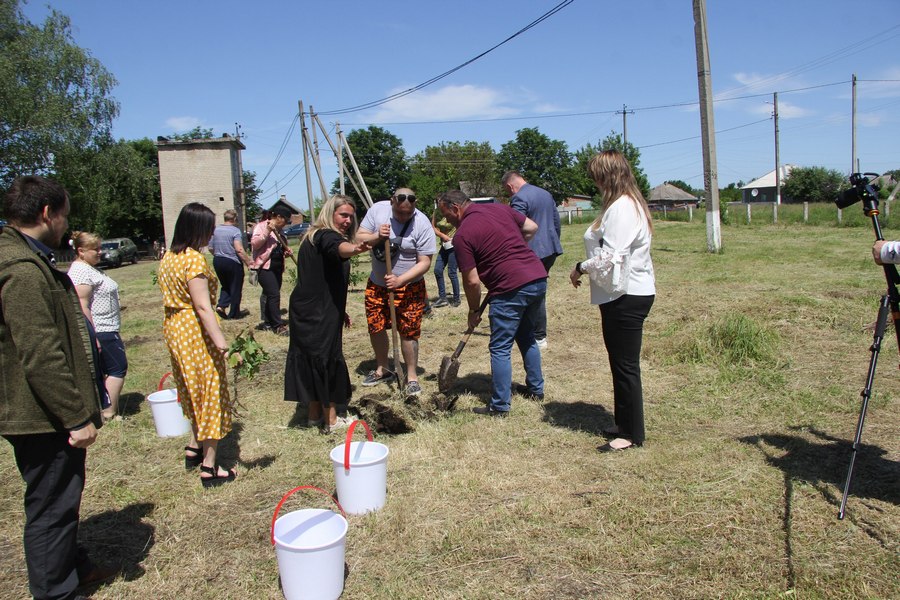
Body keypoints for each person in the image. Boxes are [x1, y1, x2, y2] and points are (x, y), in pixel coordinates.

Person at [0, 176, 116, 599]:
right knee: (51, 505)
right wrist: (74, 415)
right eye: (65, 214)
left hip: (43, 411)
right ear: (47, 213)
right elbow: (40, 353)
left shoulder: (28, 257)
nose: (67, 225)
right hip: (42, 416)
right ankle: (56, 591)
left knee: (62, 495)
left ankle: (72, 565)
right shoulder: (22, 269)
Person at [570, 150, 655, 452]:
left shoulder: (622, 208)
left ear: (608, 175)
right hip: (620, 294)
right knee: (619, 363)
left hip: (627, 296)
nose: (593, 182)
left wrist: (580, 267)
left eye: (596, 175)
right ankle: (624, 423)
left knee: (625, 366)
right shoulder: (622, 206)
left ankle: (631, 434)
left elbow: (611, 256)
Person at [437, 189, 547, 417]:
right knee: (526, 335)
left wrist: (474, 310)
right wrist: (512, 249)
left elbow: (472, 280)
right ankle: (536, 390)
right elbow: (531, 228)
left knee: (500, 347)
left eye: (446, 215)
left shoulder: (463, 235)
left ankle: (499, 406)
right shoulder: (499, 208)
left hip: (510, 288)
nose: (445, 221)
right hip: (536, 277)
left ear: (455, 208)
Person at [158, 202, 237, 487]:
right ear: (197, 229)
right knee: (211, 391)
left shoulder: (169, 256)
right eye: (209, 228)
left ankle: (193, 447)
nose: (212, 234)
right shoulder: (193, 260)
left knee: (192, 390)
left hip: (175, 329)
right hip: (194, 332)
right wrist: (221, 342)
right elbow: (203, 307)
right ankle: (210, 466)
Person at [284, 195, 370, 431]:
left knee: (312, 360)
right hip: (318, 311)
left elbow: (323, 277)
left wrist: (339, 310)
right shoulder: (326, 235)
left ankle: (313, 416)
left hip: (308, 308)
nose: (347, 220)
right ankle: (331, 420)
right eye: (343, 215)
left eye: (351, 217)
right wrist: (355, 248)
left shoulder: (312, 235)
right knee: (326, 359)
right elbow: (340, 249)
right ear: (330, 213)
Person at [357, 188, 436, 396]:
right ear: (392, 202)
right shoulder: (377, 211)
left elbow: (425, 262)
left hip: (410, 286)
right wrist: (376, 236)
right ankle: (383, 368)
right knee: (376, 326)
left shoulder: (422, 223)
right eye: (399, 213)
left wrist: (400, 280)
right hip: (377, 285)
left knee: (409, 331)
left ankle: (411, 377)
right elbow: (359, 238)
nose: (403, 217)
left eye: (407, 214)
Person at [68, 231, 128, 423]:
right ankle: (108, 413)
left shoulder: (89, 268)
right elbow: (81, 304)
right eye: (96, 249)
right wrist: (92, 335)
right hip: (101, 329)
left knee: (110, 369)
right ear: (81, 251)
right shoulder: (80, 271)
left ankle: (105, 407)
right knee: (118, 367)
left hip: (107, 327)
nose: (100, 252)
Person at [502, 171, 563, 349]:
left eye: (508, 192)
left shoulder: (519, 198)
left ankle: (538, 336)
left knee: (532, 294)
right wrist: (553, 243)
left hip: (532, 253)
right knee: (539, 292)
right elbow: (556, 221)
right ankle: (535, 332)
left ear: (509, 186)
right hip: (550, 249)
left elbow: (515, 228)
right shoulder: (545, 193)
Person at [251, 206, 293, 335]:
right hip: (264, 267)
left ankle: (268, 323)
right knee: (274, 294)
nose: (286, 224)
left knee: (271, 295)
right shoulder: (263, 226)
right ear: (279, 217)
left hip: (276, 267)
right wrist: (268, 231)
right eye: (285, 221)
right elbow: (255, 243)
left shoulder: (279, 231)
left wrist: (286, 252)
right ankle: (278, 326)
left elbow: (278, 247)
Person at [210, 209, 253, 320]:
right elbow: (239, 249)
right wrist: (248, 262)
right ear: (234, 219)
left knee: (225, 285)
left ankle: (221, 306)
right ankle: (234, 314)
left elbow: (210, 247)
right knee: (235, 287)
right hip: (232, 262)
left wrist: (218, 253)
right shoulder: (235, 231)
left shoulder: (216, 230)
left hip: (218, 260)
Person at [431, 206, 461, 307]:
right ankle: (442, 298)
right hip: (444, 246)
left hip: (453, 246)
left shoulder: (454, 215)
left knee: (452, 273)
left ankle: (457, 299)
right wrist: (442, 235)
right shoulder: (441, 216)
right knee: (437, 270)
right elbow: (433, 227)